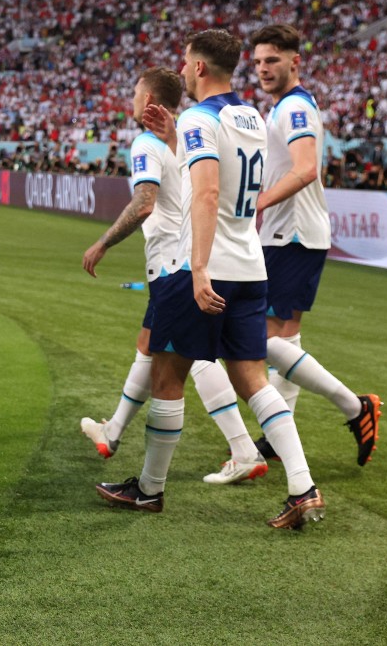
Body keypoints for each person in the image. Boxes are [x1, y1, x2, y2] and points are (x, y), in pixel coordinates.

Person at [96, 29, 324, 529]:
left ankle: (150, 490)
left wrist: (197, 269)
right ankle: (302, 486)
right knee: (254, 380)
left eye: (185, 62)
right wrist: (177, 134)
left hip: (204, 265)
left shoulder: (202, 117)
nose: (181, 70)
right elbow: (227, 167)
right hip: (249, 262)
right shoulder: (253, 117)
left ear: (198, 67)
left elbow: (205, 194)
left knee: (167, 374)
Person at [80, 67, 267, 484]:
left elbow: (145, 202)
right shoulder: (182, 138)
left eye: (133, 92)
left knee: (186, 357)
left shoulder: (148, 141)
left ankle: (233, 450)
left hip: (173, 264)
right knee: (149, 346)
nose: (129, 100)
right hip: (187, 258)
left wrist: (103, 243)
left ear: (148, 100)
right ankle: (112, 432)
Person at [250, 24, 381, 467]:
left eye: (272, 60)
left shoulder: (295, 108)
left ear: (294, 61)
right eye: (258, 62)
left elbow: (306, 169)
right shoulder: (284, 108)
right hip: (289, 234)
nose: (264, 69)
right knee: (284, 337)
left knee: (262, 338)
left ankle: (353, 406)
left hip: (294, 234)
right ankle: (276, 434)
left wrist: (258, 204)